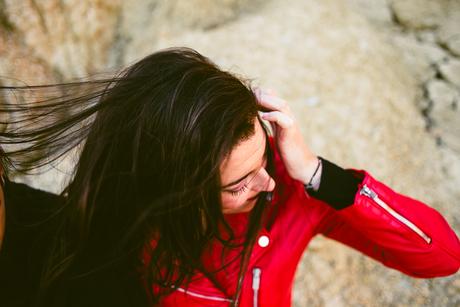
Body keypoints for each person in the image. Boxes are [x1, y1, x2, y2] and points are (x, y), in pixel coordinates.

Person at [0, 47, 459, 307]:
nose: (267, 184)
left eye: (264, 159)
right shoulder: (123, 224)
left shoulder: (294, 197)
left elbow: (440, 257)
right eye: (240, 182)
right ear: (180, 187)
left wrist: (318, 174)